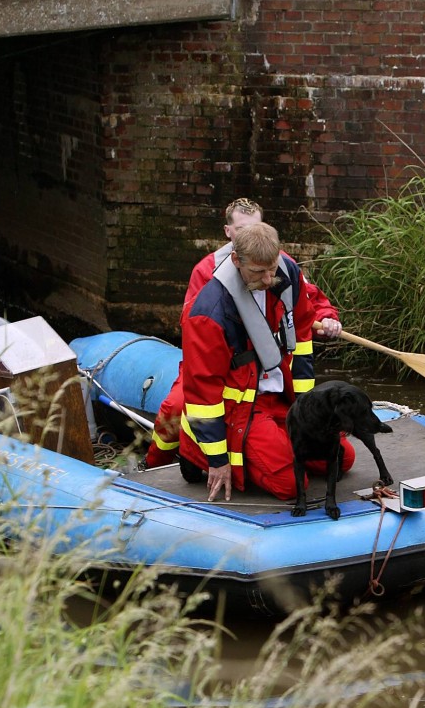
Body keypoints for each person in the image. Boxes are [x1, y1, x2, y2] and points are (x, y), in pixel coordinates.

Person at [144, 197, 341, 467]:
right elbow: (198, 336)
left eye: (256, 227)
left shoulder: (279, 264)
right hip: (218, 359)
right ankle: (155, 462)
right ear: (228, 233)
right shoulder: (207, 271)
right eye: (241, 229)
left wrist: (328, 317)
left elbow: (308, 302)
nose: (250, 234)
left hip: (269, 362)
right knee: (177, 407)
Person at [178, 222, 355, 502]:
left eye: (272, 268)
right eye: (258, 272)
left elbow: (302, 337)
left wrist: (306, 407)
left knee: (342, 458)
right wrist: (218, 460)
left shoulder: (287, 274)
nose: (268, 278)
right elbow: (202, 393)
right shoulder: (208, 313)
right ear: (236, 261)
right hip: (239, 409)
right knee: (292, 485)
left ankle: (277, 446)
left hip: (281, 397)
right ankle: (196, 452)